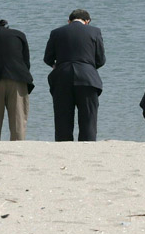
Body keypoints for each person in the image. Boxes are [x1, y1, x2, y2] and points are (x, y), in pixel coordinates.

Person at [43, 9, 105, 141]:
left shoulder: (56, 32)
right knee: (88, 118)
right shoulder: (95, 31)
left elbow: (48, 58)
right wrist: (88, 67)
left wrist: (58, 66)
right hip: (88, 78)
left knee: (62, 118)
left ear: (69, 21)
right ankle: (87, 146)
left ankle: (63, 147)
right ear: (87, 21)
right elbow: (100, 60)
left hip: (62, 76)